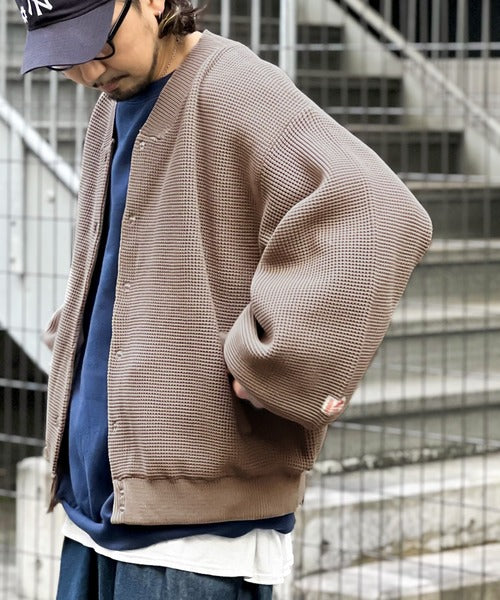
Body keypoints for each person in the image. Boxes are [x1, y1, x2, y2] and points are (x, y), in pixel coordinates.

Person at [14, 0, 433, 598]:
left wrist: (278, 361)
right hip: (95, 510)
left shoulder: (235, 88)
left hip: (197, 541)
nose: (85, 71)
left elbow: (378, 212)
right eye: (63, 57)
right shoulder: (113, 104)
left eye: (94, 42)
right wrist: (76, 351)